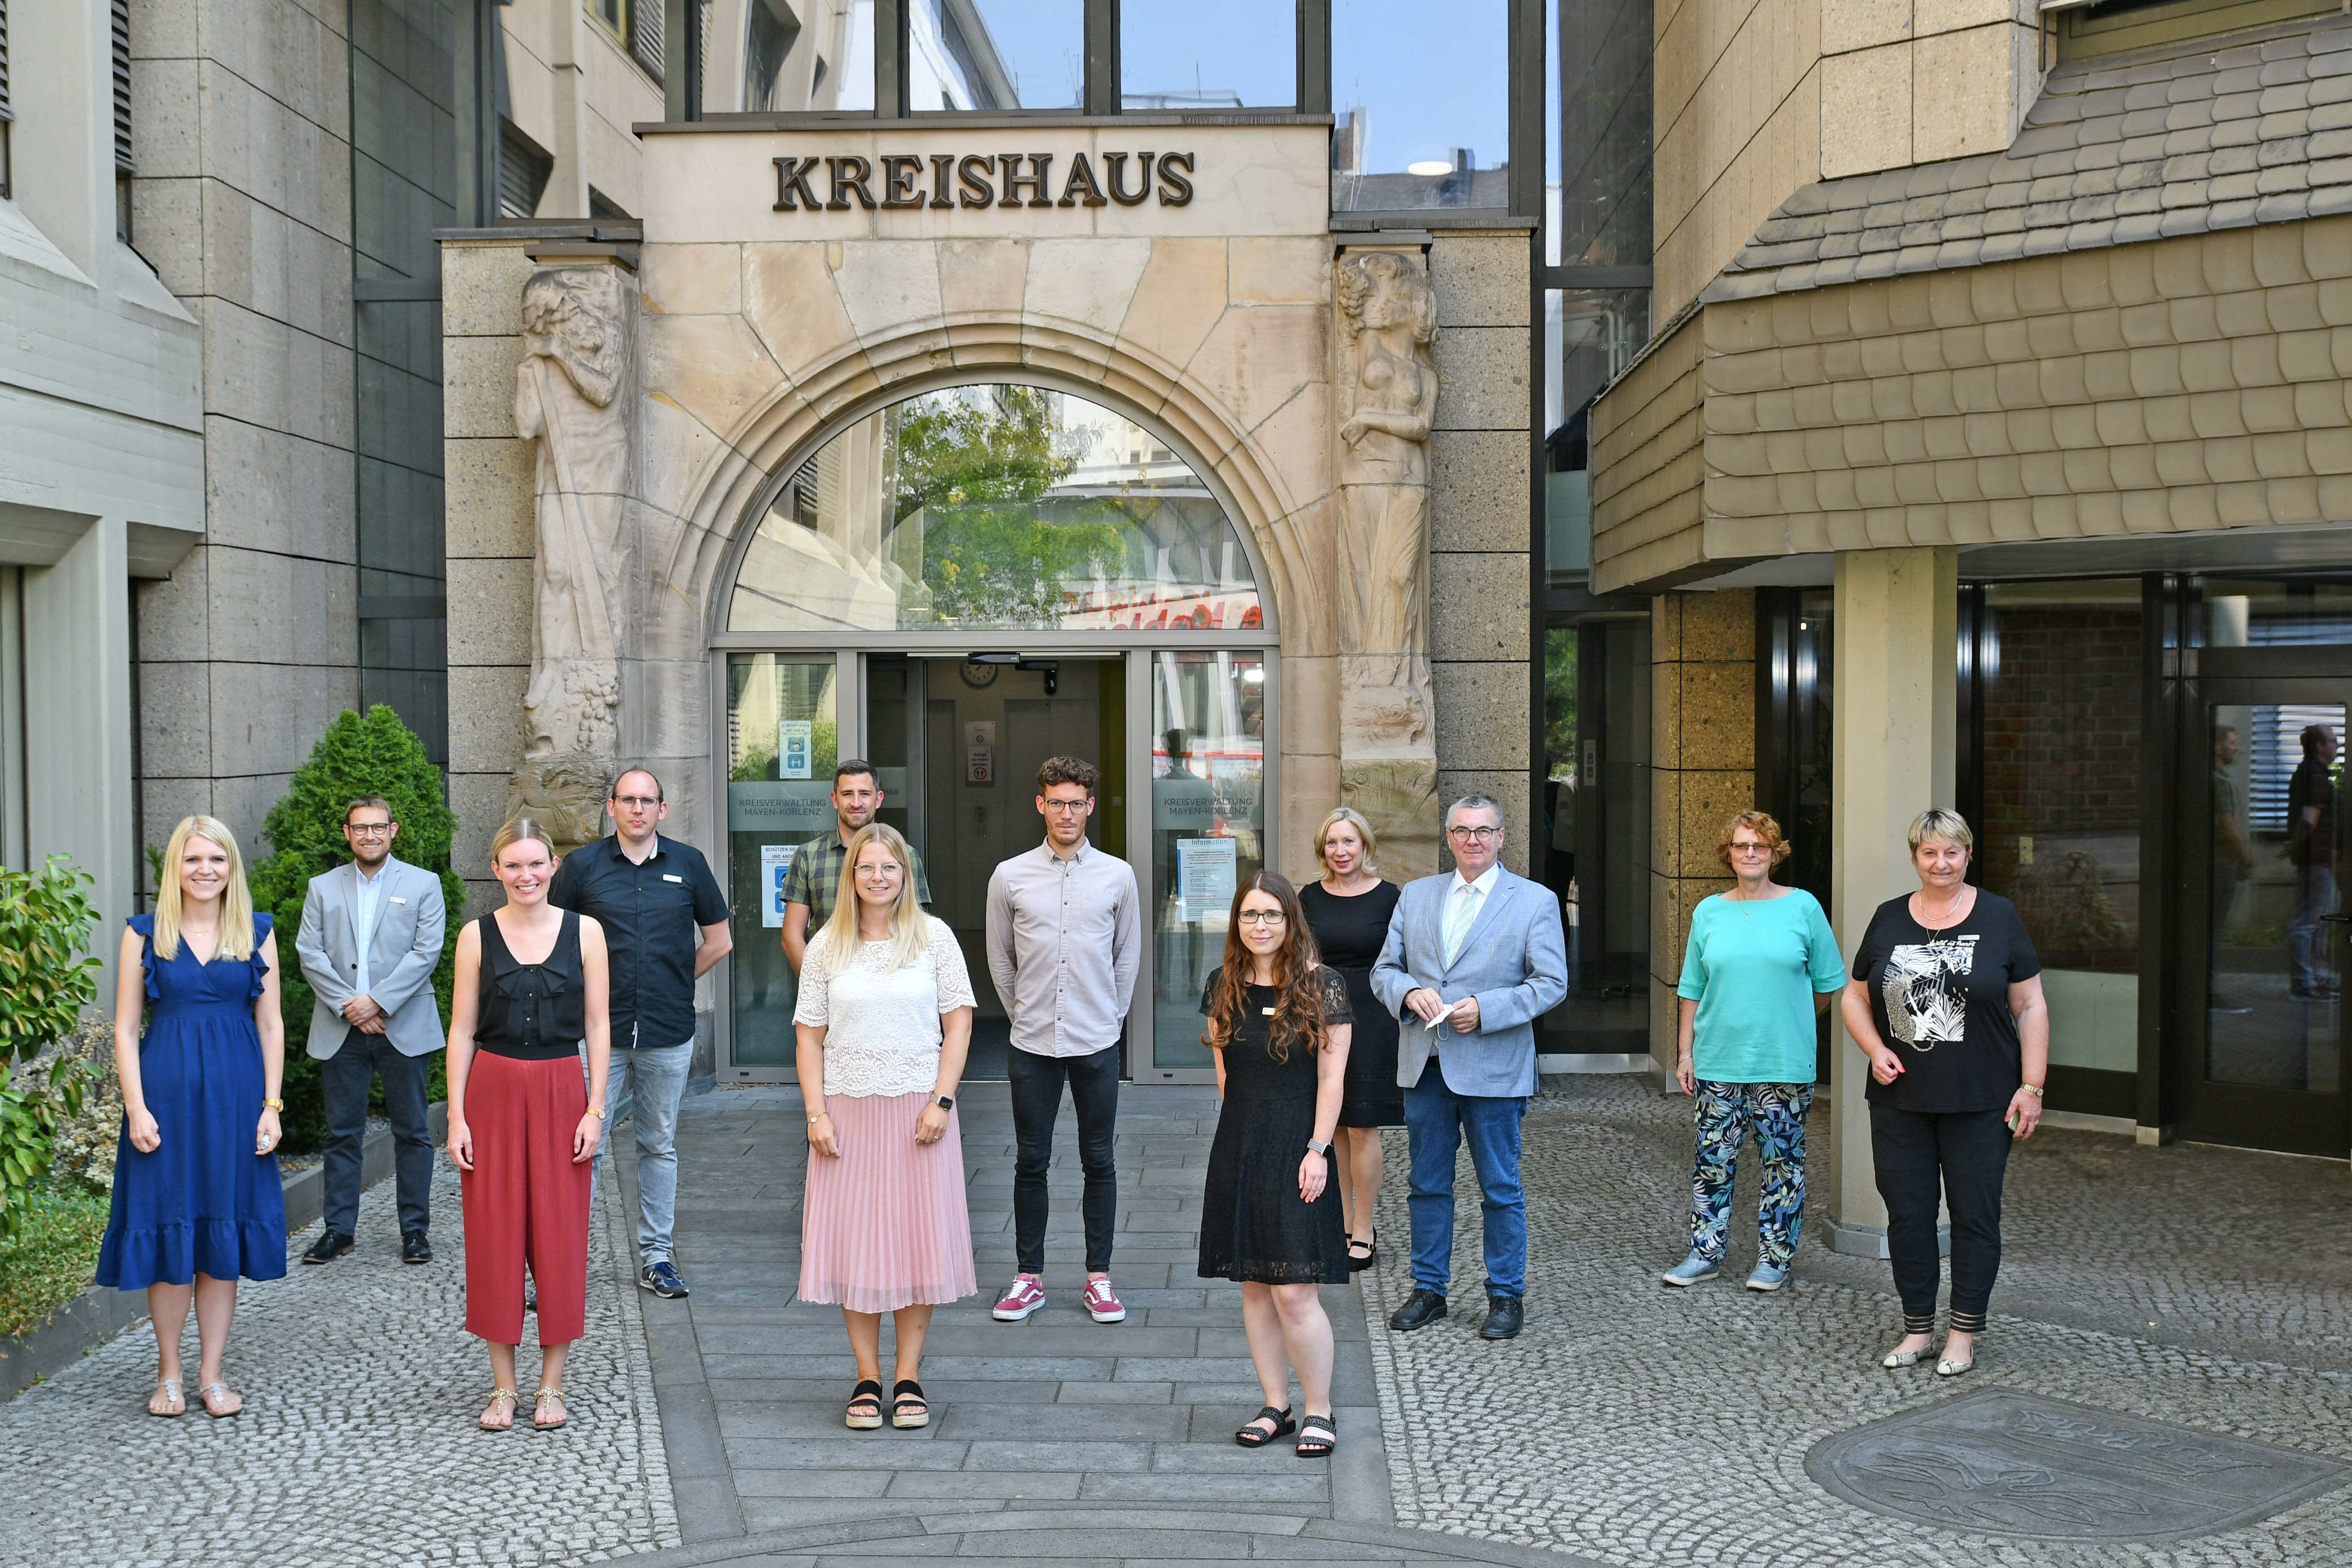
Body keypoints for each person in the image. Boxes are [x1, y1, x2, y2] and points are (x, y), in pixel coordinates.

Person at [1840, 808, 2048, 1379]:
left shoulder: (2000, 916)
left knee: (1975, 1218)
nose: (1941, 863)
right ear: (1916, 858)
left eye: (1952, 852)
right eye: (1930, 853)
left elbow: (2030, 1005)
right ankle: (1917, 1329)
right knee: (1907, 1217)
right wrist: (1873, 1049)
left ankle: (1963, 1334)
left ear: (1968, 855)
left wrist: (2032, 1086)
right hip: (1900, 1100)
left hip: (1982, 1100)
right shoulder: (1887, 919)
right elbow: (1855, 998)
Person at [98, 816, 287, 1419]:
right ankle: (169, 1374)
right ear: (174, 867)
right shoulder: (144, 934)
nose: (205, 870)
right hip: (167, 1106)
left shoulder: (256, 934)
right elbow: (125, 1028)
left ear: (233, 867)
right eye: (193, 860)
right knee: (171, 1231)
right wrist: (136, 1108)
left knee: (221, 1234)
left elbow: (271, 1024)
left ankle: (212, 1374)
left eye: (217, 860)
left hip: (236, 1106)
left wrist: (272, 1107)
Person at [793, 822, 977, 1431]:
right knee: (856, 1241)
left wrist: (942, 1102)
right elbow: (809, 1037)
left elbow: (960, 1025)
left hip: (919, 1113)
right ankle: (867, 1376)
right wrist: (816, 1112)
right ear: (852, 877)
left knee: (916, 1237)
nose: (878, 877)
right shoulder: (826, 946)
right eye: (867, 868)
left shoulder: (935, 938)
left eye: (889, 868)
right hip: (845, 1114)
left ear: (906, 875)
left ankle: (909, 1376)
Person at [1371, 795, 1567, 1342]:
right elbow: (1385, 969)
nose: (1472, 840)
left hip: (1494, 1064)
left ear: (1502, 836)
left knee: (1500, 1186)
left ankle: (1506, 1296)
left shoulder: (1534, 901)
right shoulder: (1417, 895)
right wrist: (1409, 994)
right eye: (1462, 831)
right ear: (1449, 836)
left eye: (1483, 831)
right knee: (1425, 1184)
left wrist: (1488, 1010)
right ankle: (1429, 1289)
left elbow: (1552, 982)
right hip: (1427, 1063)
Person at [446, 818, 612, 1431]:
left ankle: (551, 1387)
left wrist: (595, 1109)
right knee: (494, 1236)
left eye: (536, 864)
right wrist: (457, 1116)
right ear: (497, 871)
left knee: (560, 1237)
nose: (526, 876)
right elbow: (462, 1029)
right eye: (513, 866)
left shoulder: (586, 932)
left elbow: (598, 1026)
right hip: (491, 1088)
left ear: (552, 867)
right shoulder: (474, 936)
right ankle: (502, 1388)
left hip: (562, 1088)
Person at [547, 765, 732, 1299]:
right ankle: (565, 1264)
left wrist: (677, 978)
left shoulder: (689, 864)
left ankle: (657, 1258)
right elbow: (554, 941)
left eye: (647, 801)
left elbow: (718, 941)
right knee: (585, 1146)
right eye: (627, 800)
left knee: (658, 1144)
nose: (637, 809)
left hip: (667, 1033)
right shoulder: (582, 867)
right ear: (612, 807)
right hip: (594, 1034)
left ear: (662, 810)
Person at [1199, 872, 1355, 1459]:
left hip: (1300, 1147)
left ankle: (1321, 1409)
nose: (1260, 926)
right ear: (1237, 922)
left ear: (1291, 921)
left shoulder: (1323, 987)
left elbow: (1332, 1079)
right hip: (1240, 1145)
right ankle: (1276, 1405)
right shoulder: (1223, 986)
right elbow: (1226, 1077)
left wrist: (1317, 1150)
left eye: (1271, 915)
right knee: (1256, 1287)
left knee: (1295, 1291)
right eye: (1249, 915)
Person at [985, 755, 1142, 1325]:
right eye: (1057, 802)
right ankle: (1029, 1278)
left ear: (1090, 806)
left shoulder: (1118, 876)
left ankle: (1098, 1279)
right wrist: (1024, 1013)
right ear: (1040, 805)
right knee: (1032, 1160)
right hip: (1032, 1043)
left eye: (1077, 802)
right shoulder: (1010, 875)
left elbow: (1128, 955)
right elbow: (1001, 960)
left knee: (1099, 1160)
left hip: (1097, 1039)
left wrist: (1109, 1018)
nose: (1067, 813)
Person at [1659, 812, 1845, 1293]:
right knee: (1711, 1163)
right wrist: (1686, 1053)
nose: (1750, 854)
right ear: (1729, 853)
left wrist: (1791, 1021)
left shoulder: (1803, 908)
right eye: (1742, 846)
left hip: (1783, 1062)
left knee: (1782, 1165)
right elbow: (1692, 988)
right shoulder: (1708, 912)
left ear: (1774, 853)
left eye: (1760, 846)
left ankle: (1775, 1259)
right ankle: (1705, 1254)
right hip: (1719, 1060)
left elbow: (1826, 984)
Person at [294, 795, 447, 1266]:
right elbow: (310, 952)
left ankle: (415, 1231)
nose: (369, 836)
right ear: (347, 833)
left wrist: (376, 1002)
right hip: (342, 1028)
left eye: (378, 827)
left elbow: (427, 952)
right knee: (342, 1133)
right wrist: (351, 1007)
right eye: (360, 828)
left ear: (393, 830)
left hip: (403, 1026)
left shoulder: (424, 884)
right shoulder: (322, 887)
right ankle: (339, 1231)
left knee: (414, 1132)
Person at [1297, 806, 1401, 1270]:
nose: (1341, 851)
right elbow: (1296, 954)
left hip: (1373, 1018)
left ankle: (1364, 1227)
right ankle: (1338, 1222)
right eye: (1332, 843)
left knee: (1362, 1125)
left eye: (1349, 842)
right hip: (1321, 1016)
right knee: (1332, 1126)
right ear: (1323, 849)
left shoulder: (1390, 897)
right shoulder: (1309, 897)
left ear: (1365, 846)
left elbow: (1406, 959)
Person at [782, 760, 930, 974]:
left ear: (878, 799)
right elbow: (791, 937)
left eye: (864, 794)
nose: (856, 802)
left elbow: (920, 930)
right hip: (830, 984)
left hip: (892, 983)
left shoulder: (905, 856)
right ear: (835, 800)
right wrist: (816, 990)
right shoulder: (808, 856)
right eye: (847, 794)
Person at [2287, 723, 2339, 999]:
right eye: (2333, 740)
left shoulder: (2309, 772)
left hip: (2317, 861)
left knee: (2317, 922)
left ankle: (2316, 980)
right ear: (2320, 746)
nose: (2338, 745)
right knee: (2308, 923)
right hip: (2316, 861)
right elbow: (2309, 819)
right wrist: (2292, 845)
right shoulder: (2315, 775)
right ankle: (2305, 984)